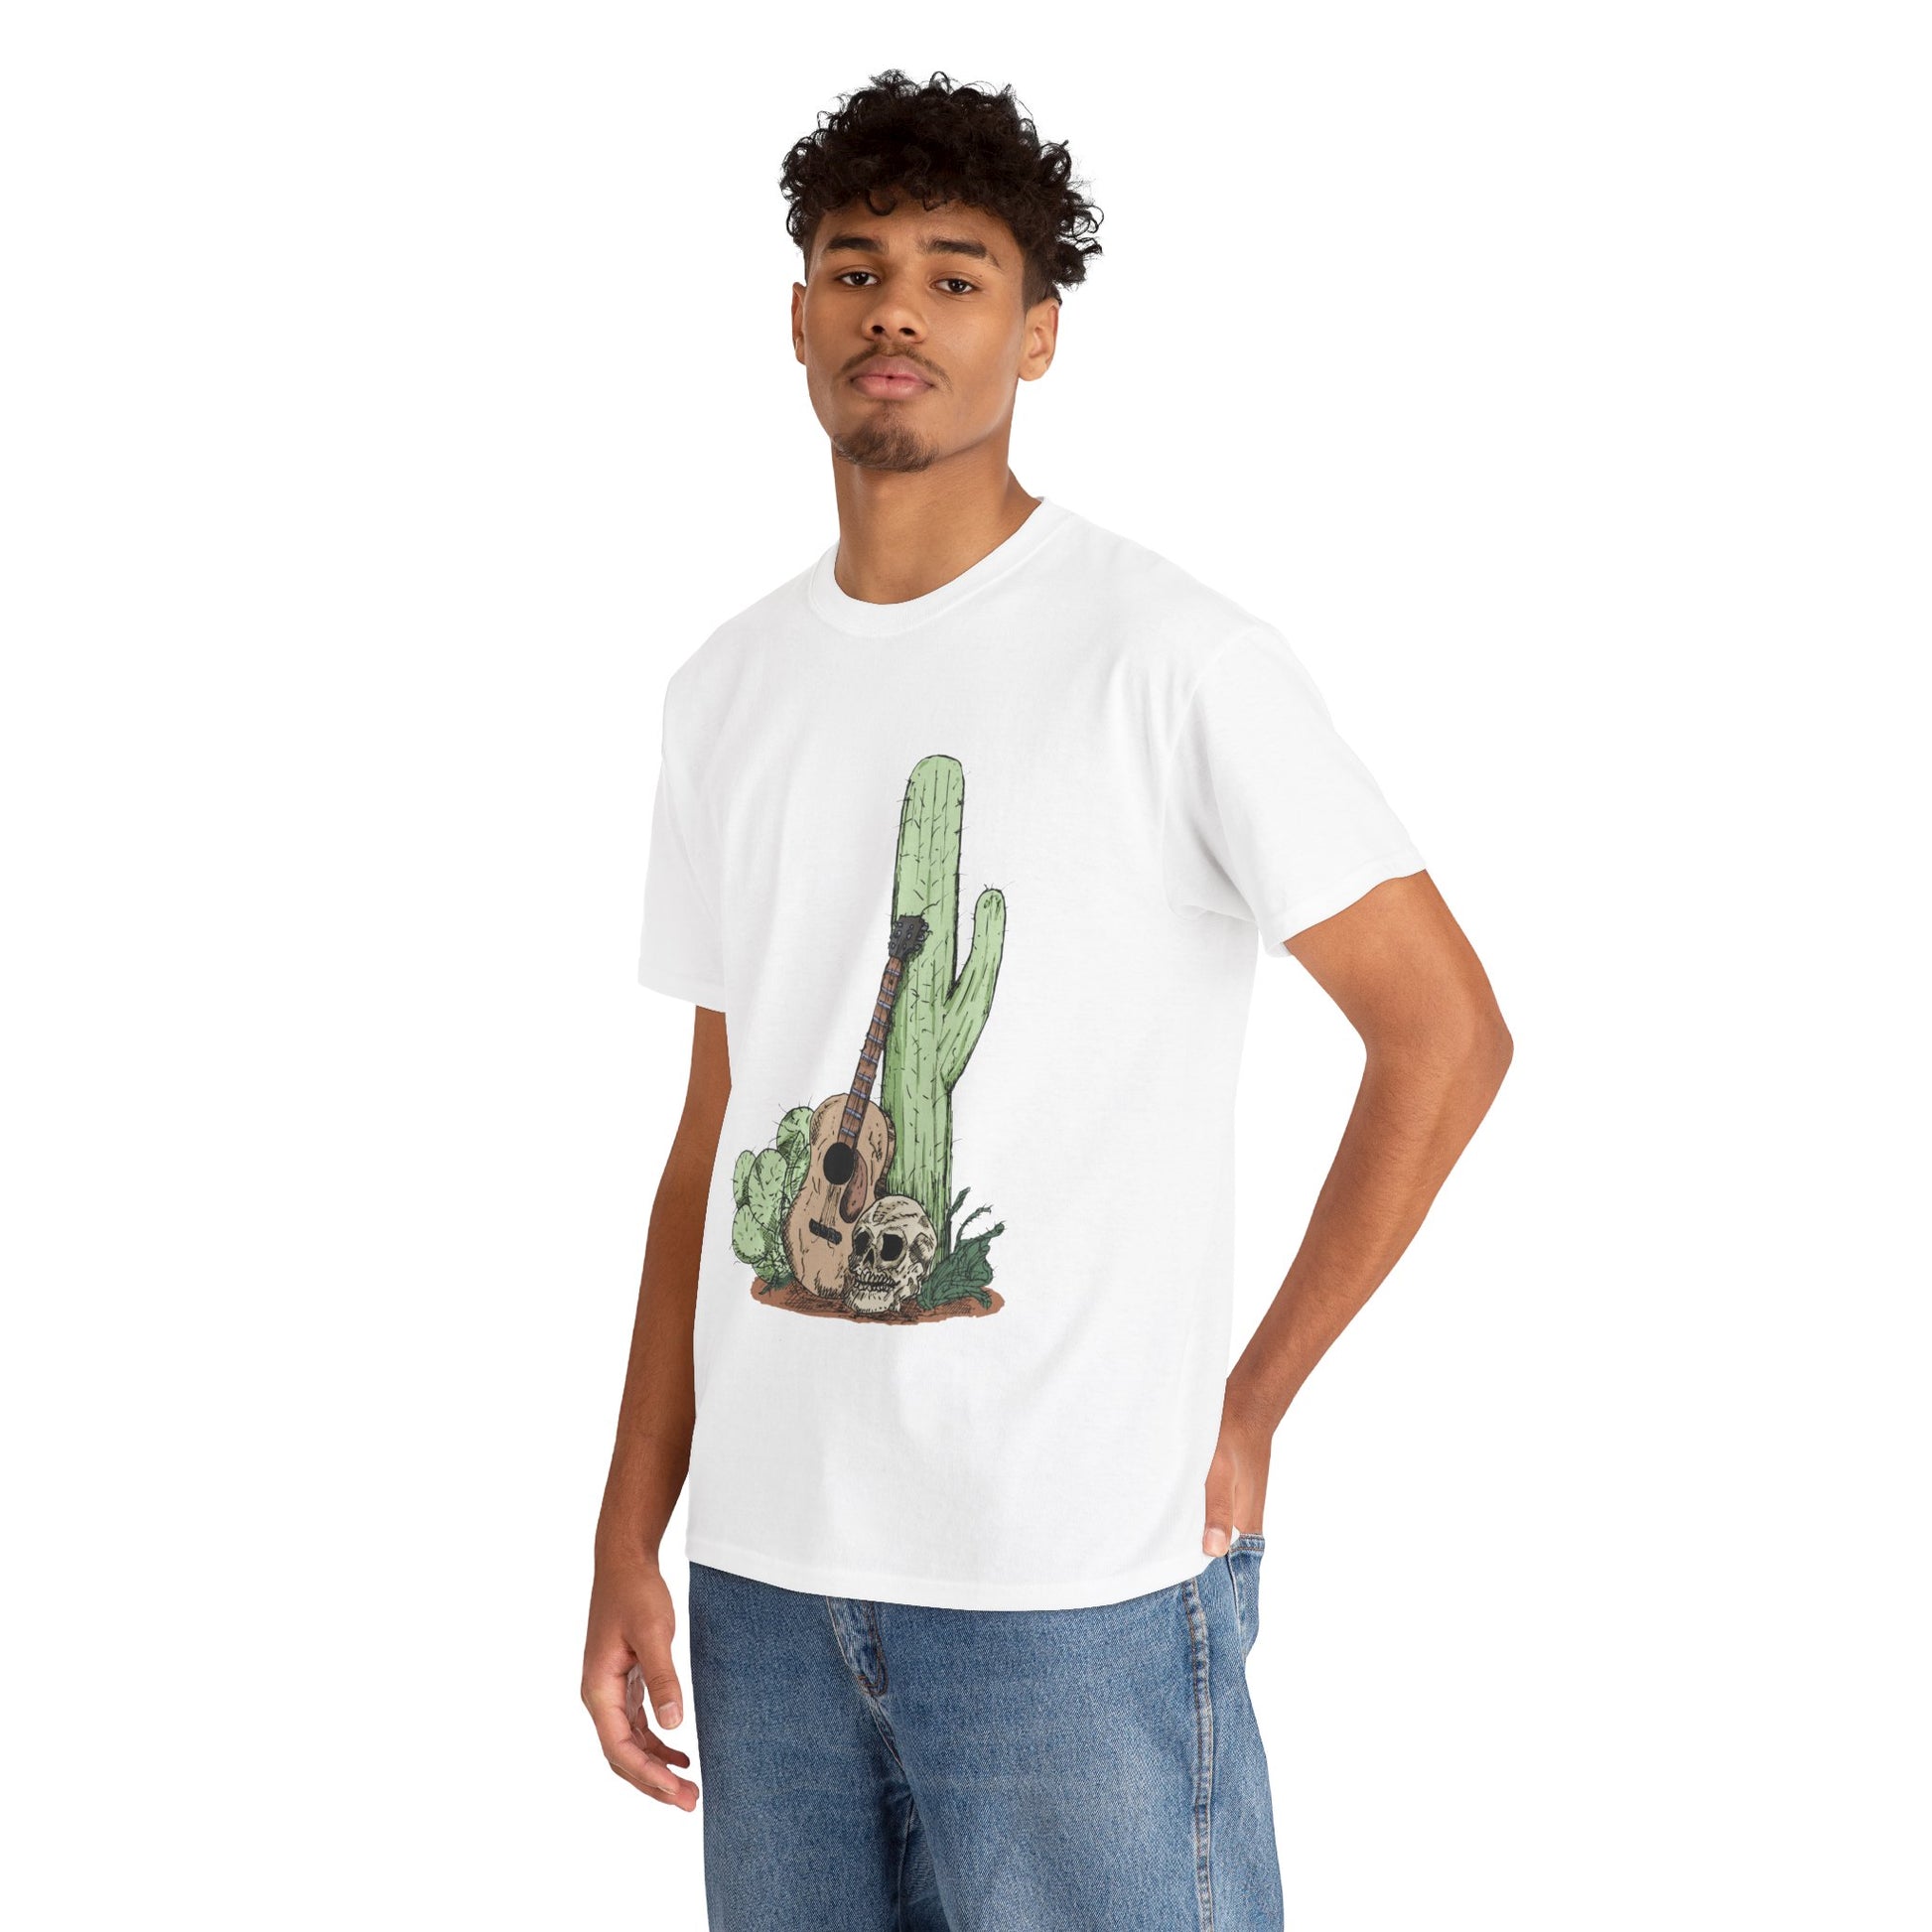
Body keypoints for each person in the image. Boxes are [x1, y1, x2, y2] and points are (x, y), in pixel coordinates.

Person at [583, 69, 1512, 1932]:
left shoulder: (1171, 657)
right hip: (765, 1577)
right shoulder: (724, 690)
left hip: (1071, 1577)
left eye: (956, 275)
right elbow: (712, 1144)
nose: (897, 313)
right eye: (856, 269)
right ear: (796, 316)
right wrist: (631, 1522)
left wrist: (1251, 1398)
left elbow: (1445, 1033)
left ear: (1036, 332)